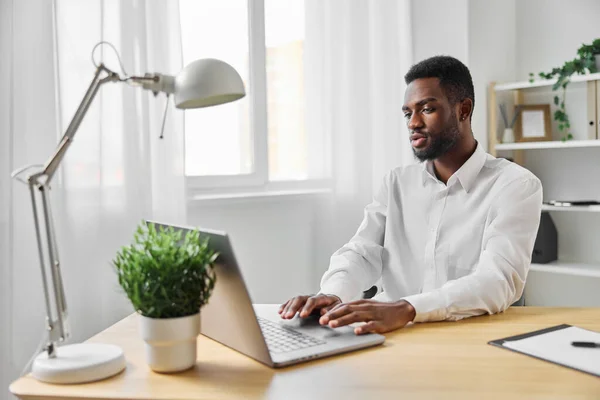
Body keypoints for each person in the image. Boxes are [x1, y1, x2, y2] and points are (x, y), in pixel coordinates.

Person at [279, 55, 543, 335]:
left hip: (469, 336)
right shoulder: (396, 182)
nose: (413, 123)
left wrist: (408, 308)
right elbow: (361, 252)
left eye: (426, 109)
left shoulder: (516, 185)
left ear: (463, 110)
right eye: (408, 113)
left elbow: (497, 280)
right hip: (392, 333)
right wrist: (334, 294)